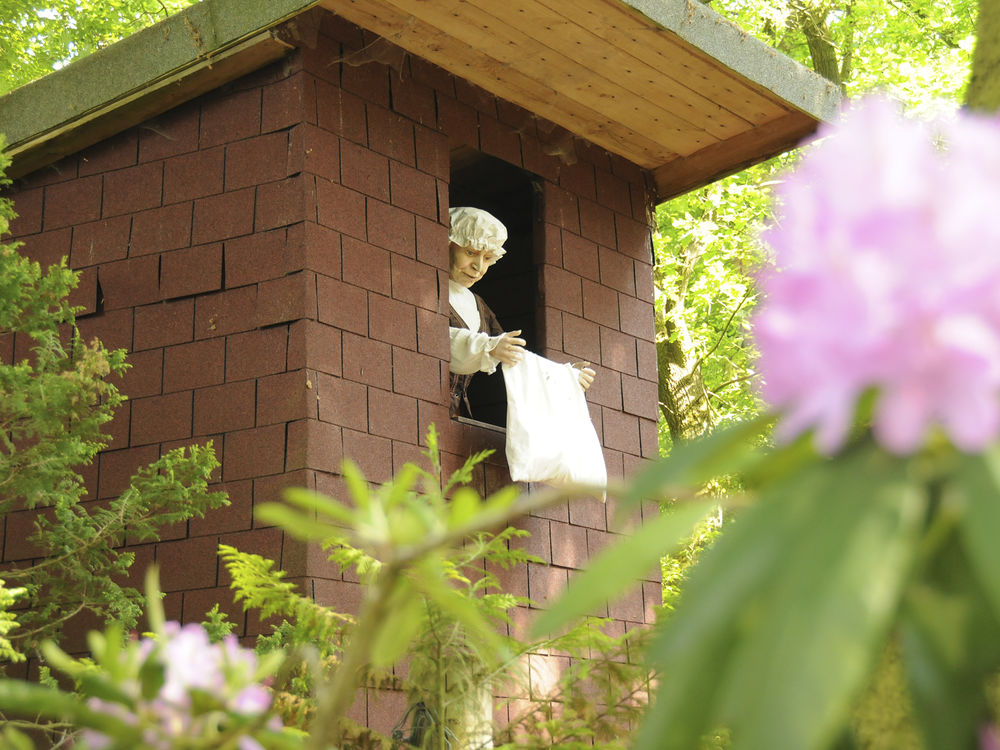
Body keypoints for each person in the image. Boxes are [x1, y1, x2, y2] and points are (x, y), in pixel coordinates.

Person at [447, 206, 595, 417]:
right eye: (470, 252)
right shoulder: (428, 288)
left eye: (487, 258)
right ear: (448, 244)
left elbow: (515, 356)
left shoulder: (478, 306)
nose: (478, 266)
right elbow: (439, 341)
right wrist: (488, 347)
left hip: (458, 417)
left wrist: (564, 377)